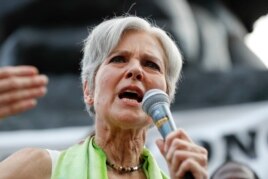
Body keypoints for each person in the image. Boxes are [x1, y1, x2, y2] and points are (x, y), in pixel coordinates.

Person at [0, 16, 208, 179]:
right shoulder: (39, 167)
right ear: (89, 90)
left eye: (151, 65)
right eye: (118, 59)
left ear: (165, 97)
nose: (135, 70)